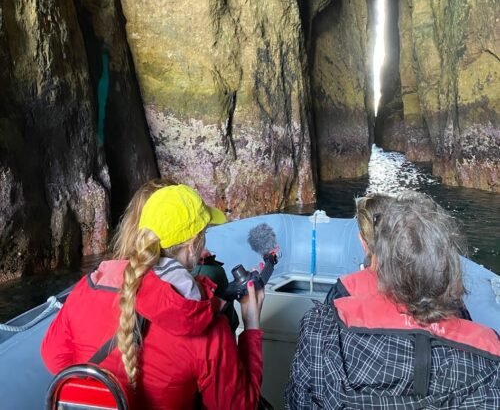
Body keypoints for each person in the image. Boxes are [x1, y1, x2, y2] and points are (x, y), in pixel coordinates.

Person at [41, 183, 265, 410]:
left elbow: (54, 359)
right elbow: (239, 406)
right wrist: (252, 326)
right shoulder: (208, 327)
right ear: (193, 243)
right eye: (204, 233)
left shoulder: (87, 289)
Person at [286, 193, 500, 409]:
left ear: (379, 258)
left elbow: (298, 402)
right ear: (449, 267)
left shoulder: (321, 330)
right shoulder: (489, 355)